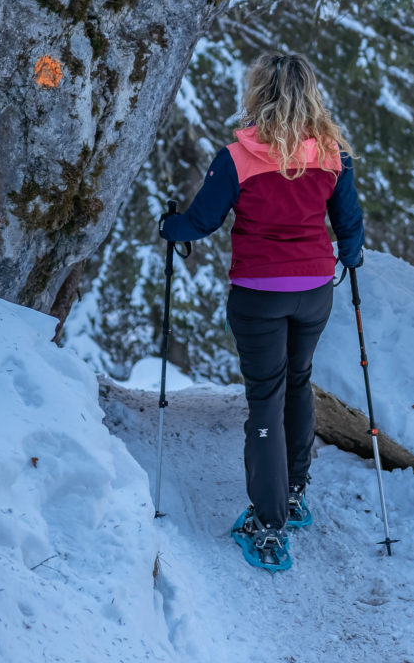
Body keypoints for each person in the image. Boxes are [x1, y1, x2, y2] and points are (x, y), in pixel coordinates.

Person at [159, 52, 364, 572]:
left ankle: (268, 524)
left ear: (259, 93)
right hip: (315, 290)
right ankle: (294, 496)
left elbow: (200, 223)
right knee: (297, 382)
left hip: (258, 294)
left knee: (266, 399)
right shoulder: (332, 155)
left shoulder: (237, 157)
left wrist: (169, 226)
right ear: (310, 93)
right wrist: (349, 257)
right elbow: (351, 229)